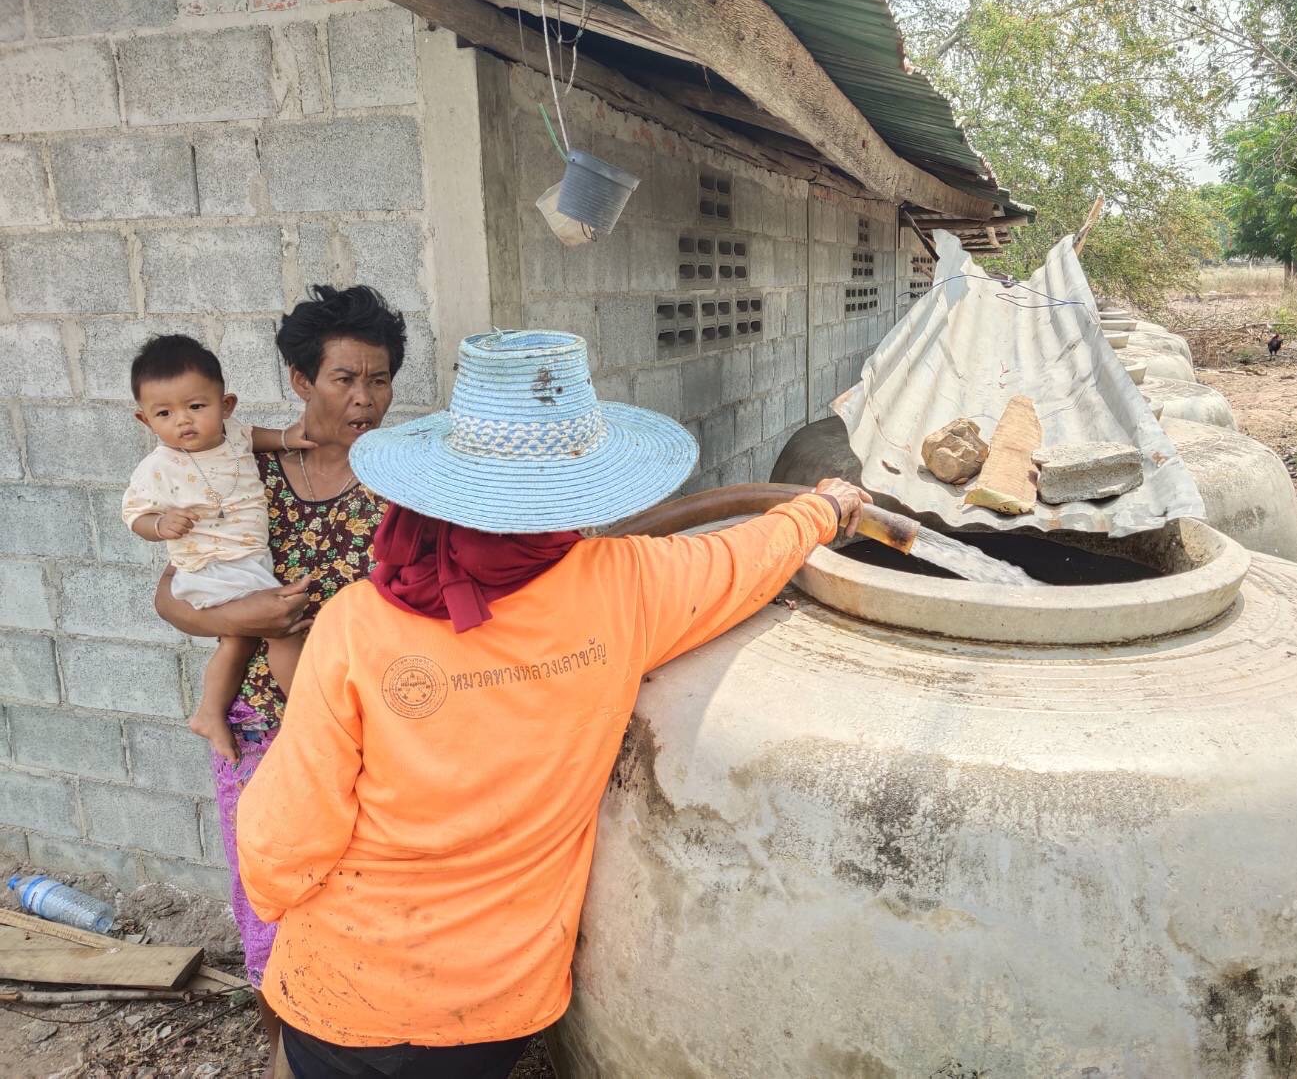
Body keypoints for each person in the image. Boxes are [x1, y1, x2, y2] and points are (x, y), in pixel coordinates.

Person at [236, 330, 870, 1079]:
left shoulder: (356, 622)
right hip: (493, 1004)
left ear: (438, 488)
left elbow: (286, 837)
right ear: (578, 486)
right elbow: (744, 557)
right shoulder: (629, 584)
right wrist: (822, 509)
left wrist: (274, 900)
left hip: (345, 988)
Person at [152, 285, 406, 1075]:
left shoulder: (408, 484)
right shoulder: (241, 472)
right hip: (260, 729)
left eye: (379, 379)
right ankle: (283, 1052)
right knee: (269, 900)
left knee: (366, 905)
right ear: (300, 380)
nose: (364, 398)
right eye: (344, 379)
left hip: (370, 738)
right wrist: (249, 617)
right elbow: (171, 596)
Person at [124, 334, 316, 762]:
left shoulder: (234, 436)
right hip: (210, 565)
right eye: (164, 413)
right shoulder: (157, 468)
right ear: (145, 420)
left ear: (225, 405)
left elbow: (257, 437)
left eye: (196, 406)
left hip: (247, 559)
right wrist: (159, 525)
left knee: (237, 640)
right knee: (283, 629)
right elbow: (134, 515)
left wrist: (288, 438)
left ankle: (209, 712)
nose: (183, 421)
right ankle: (309, 715)